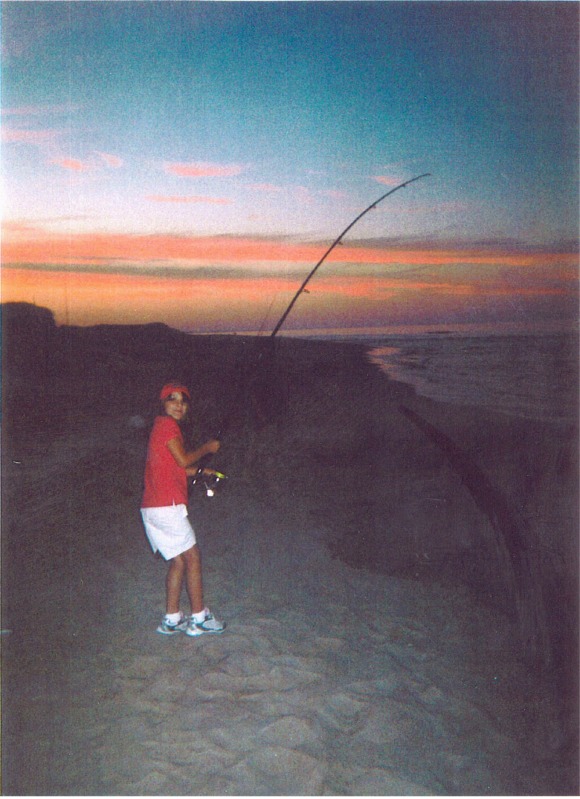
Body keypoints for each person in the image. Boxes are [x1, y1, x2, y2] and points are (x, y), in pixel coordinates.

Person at [140, 382, 225, 636]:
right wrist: (207, 448)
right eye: (172, 399)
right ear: (163, 404)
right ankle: (199, 618)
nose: (178, 405)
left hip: (151, 508)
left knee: (178, 561)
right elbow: (183, 459)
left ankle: (172, 618)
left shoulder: (159, 427)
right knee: (193, 557)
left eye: (183, 401)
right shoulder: (167, 425)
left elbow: (176, 468)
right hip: (167, 507)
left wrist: (203, 471)